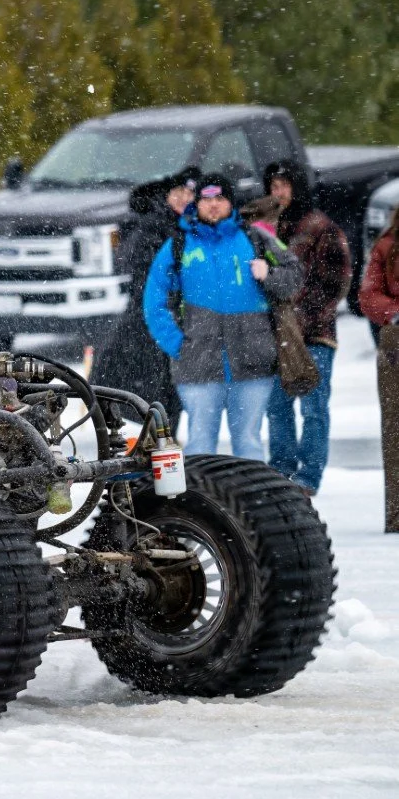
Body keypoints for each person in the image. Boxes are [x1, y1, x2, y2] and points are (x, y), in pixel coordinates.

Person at [143, 173, 302, 461]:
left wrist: (270, 275)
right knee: (200, 442)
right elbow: (154, 301)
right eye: (207, 199)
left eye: (220, 198)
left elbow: (294, 275)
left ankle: (249, 503)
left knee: (249, 442)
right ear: (197, 203)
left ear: (231, 203)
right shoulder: (178, 244)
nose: (213, 205)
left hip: (253, 362)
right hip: (197, 365)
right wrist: (178, 346)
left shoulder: (255, 238)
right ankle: (200, 503)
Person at [261, 159, 352, 496]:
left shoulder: (321, 228)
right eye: (272, 186)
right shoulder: (266, 228)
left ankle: (309, 476)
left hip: (314, 336)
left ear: (297, 187)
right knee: (276, 407)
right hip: (275, 336)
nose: (278, 192)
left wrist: (299, 316)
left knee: (314, 408)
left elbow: (338, 283)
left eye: (284, 185)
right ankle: (281, 471)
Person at [92, 167, 198, 426]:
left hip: (176, 318)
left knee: (166, 387)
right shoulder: (152, 227)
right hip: (149, 317)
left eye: (190, 193)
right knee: (150, 384)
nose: (184, 198)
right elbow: (145, 277)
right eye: (178, 192)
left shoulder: (191, 228)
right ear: (167, 196)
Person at [359, 207, 399, 532]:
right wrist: (395, 313)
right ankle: (397, 514)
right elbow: (369, 295)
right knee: (395, 431)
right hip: (397, 339)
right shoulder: (388, 245)